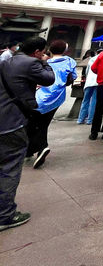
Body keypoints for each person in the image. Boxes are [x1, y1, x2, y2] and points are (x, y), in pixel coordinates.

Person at [0, 36, 54, 231]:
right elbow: (49, 79)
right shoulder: (32, 62)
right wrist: (45, 63)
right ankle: (5, 215)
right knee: (10, 168)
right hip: (11, 122)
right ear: (38, 51)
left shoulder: (7, 60)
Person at [27, 40, 77, 168]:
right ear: (65, 50)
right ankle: (35, 149)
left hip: (40, 95)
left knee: (35, 123)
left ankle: (39, 147)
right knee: (43, 123)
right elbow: (73, 76)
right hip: (57, 96)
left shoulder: (45, 62)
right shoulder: (70, 61)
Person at [77, 49, 99, 125]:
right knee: (94, 101)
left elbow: (87, 71)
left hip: (89, 82)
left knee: (85, 100)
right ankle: (90, 120)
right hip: (97, 82)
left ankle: (80, 119)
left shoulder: (91, 59)